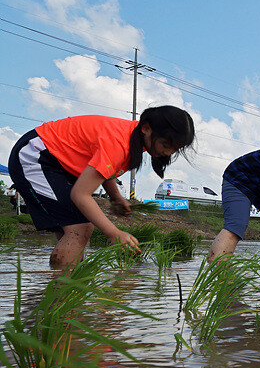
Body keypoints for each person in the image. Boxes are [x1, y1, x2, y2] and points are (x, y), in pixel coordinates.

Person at [7, 107, 195, 268]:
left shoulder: (132, 139)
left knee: (72, 229)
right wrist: (114, 233)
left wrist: (115, 197)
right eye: (165, 144)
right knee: (80, 227)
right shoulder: (119, 143)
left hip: (56, 163)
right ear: (146, 128)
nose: (168, 152)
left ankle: (66, 296)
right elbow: (81, 195)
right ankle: (61, 293)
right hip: (35, 155)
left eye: (175, 149)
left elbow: (103, 169)